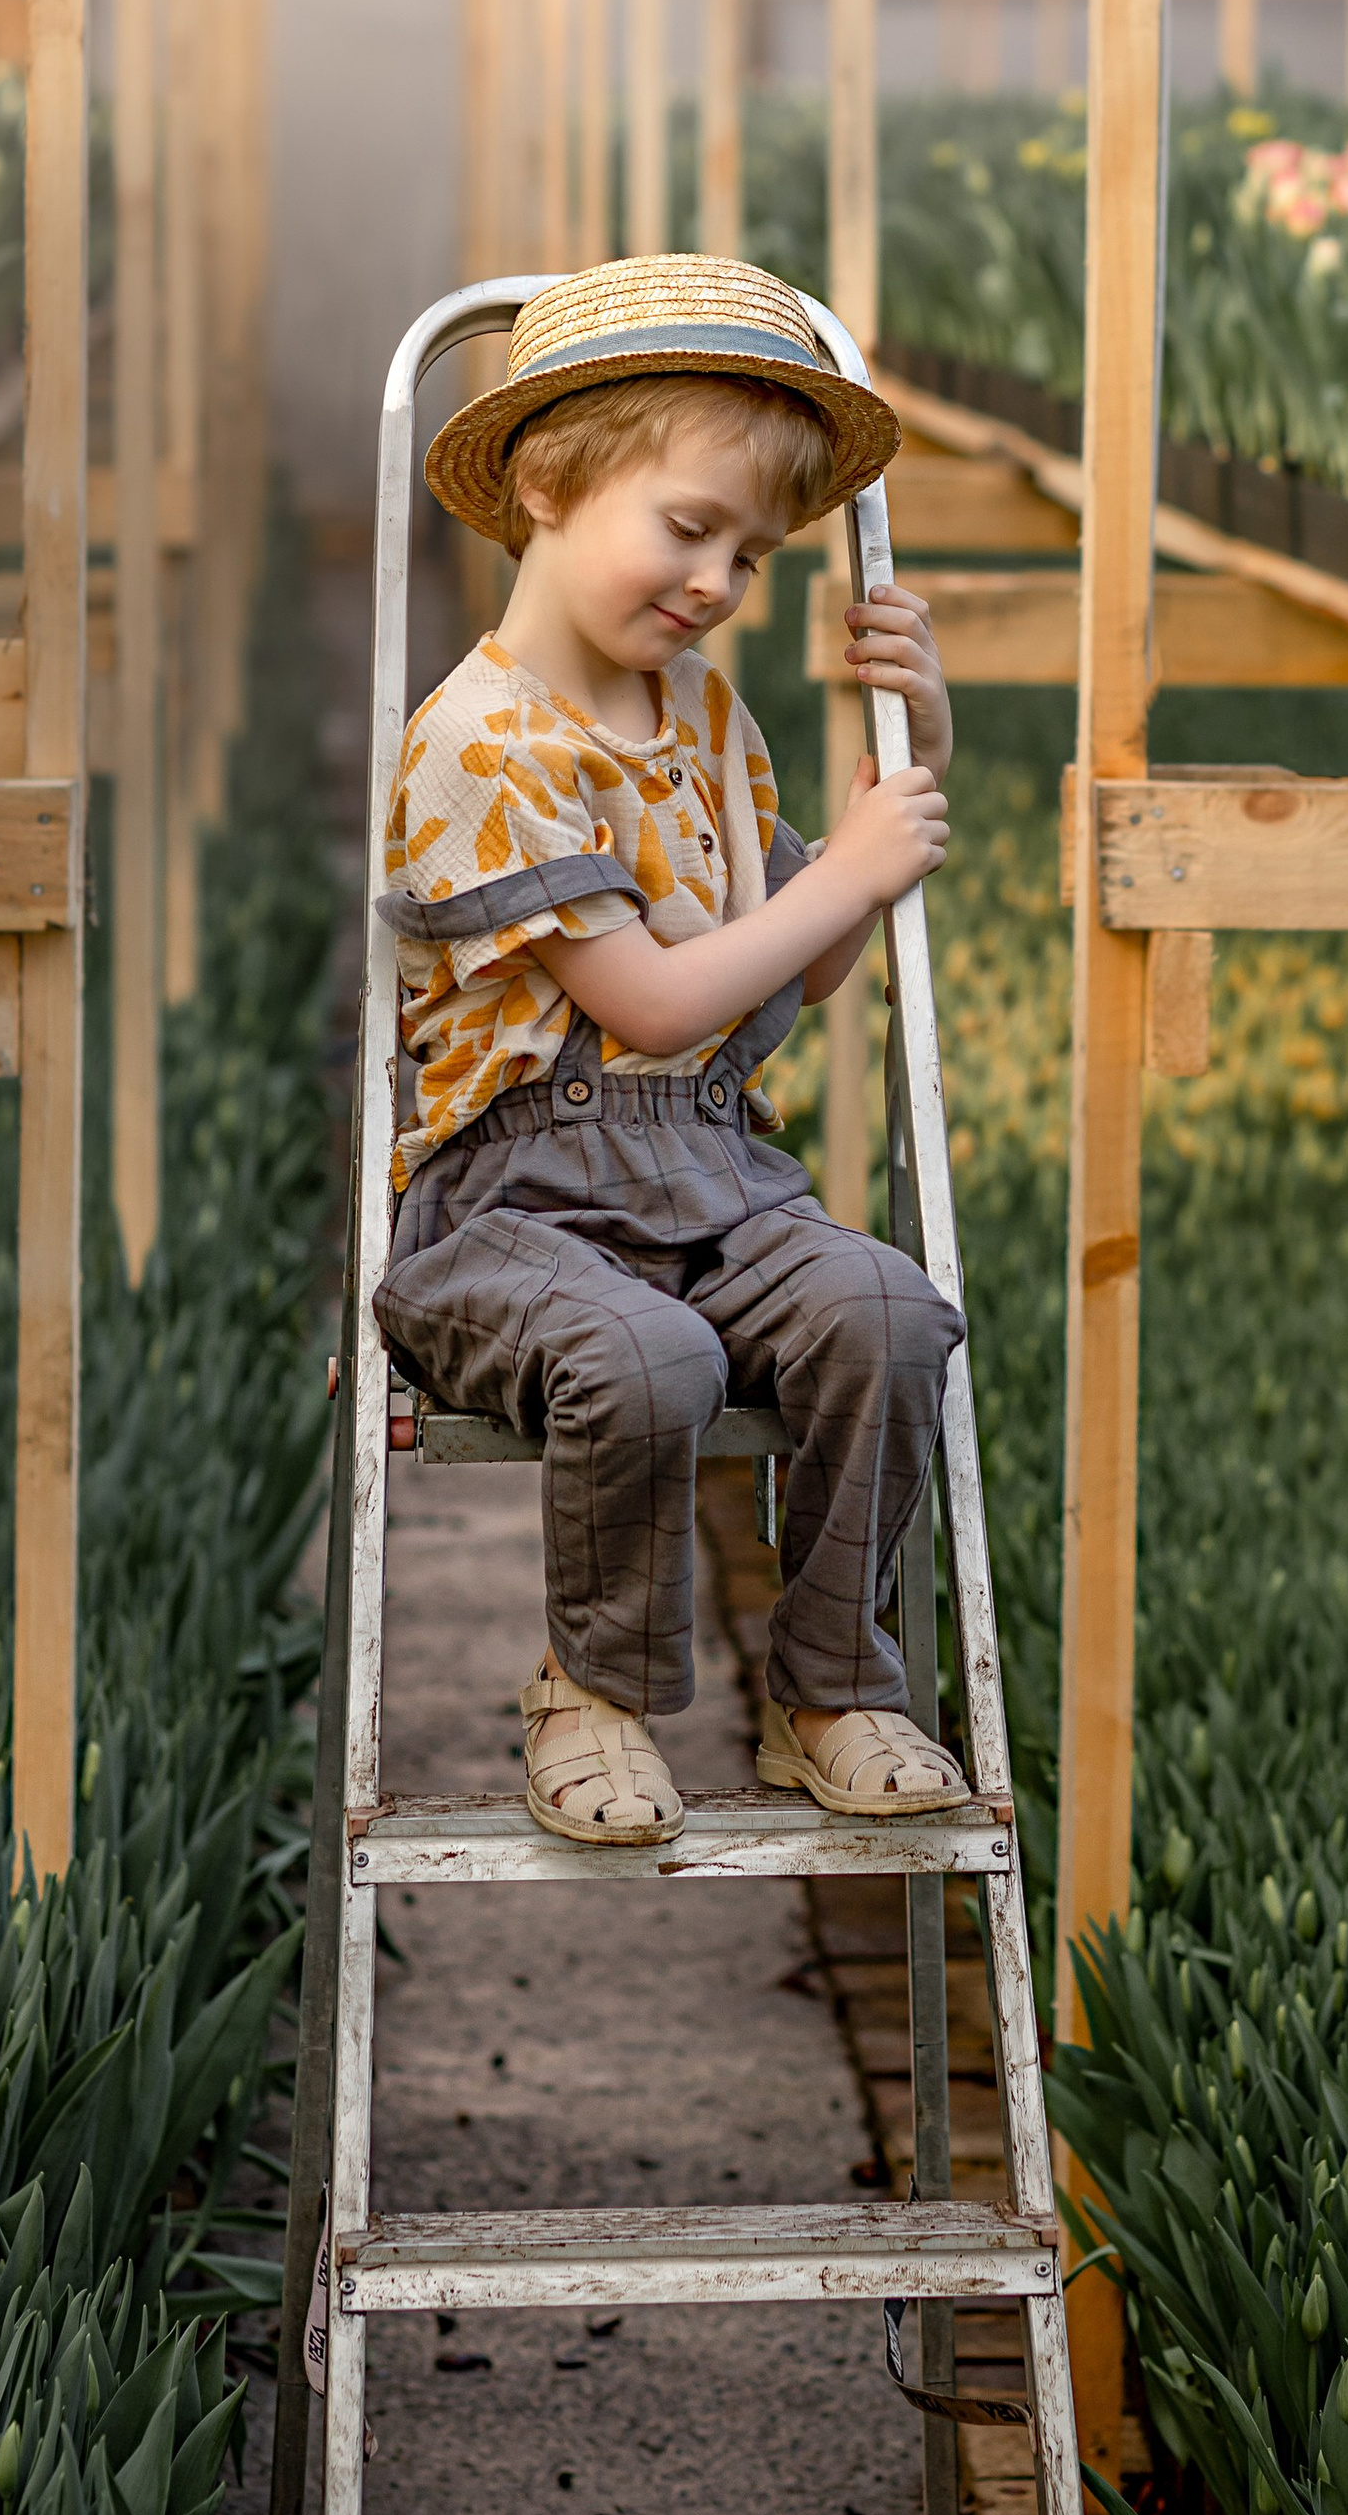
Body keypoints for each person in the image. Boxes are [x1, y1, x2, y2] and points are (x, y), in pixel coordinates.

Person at [374, 253, 972, 1848]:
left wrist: (889, 779)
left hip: (708, 1184)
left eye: (753, 555)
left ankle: (831, 1689)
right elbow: (648, 1003)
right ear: (551, 484)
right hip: (508, 1215)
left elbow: (800, 968)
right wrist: (844, 873)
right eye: (686, 529)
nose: (716, 581)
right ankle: (594, 1690)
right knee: (650, 1359)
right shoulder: (478, 739)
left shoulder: (706, 718)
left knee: (886, 1310)